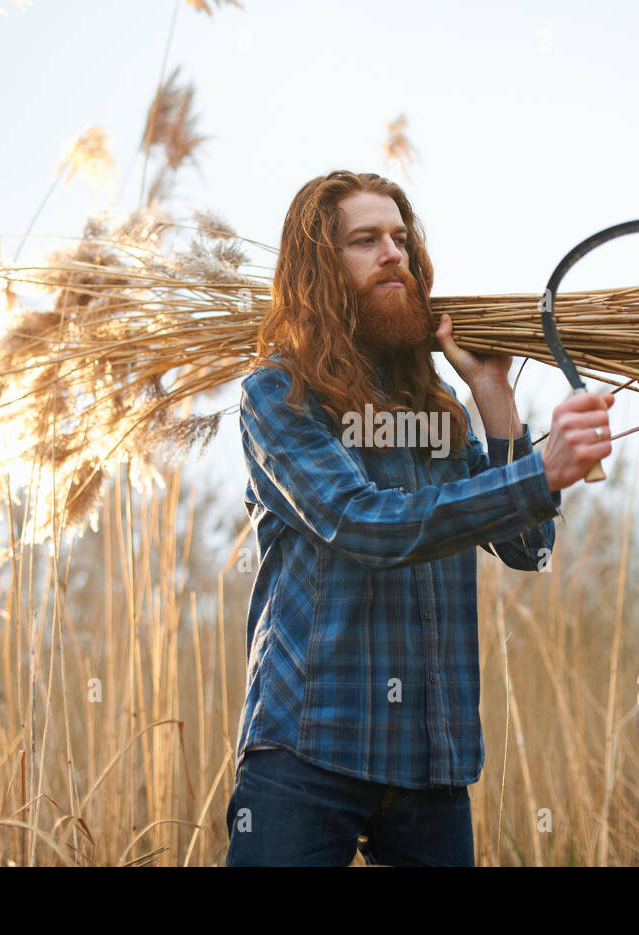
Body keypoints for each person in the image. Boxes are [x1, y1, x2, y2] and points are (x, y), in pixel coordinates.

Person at [224, 170, 615, 866]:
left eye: (401, 239)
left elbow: (528, 546)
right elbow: (363, 524)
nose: (393, 254)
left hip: (433, 761)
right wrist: (541, 469)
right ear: (319, 268)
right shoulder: (279, 394)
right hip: (311, 751)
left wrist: (493, 398)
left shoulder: (438, 409)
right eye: (365, 240)